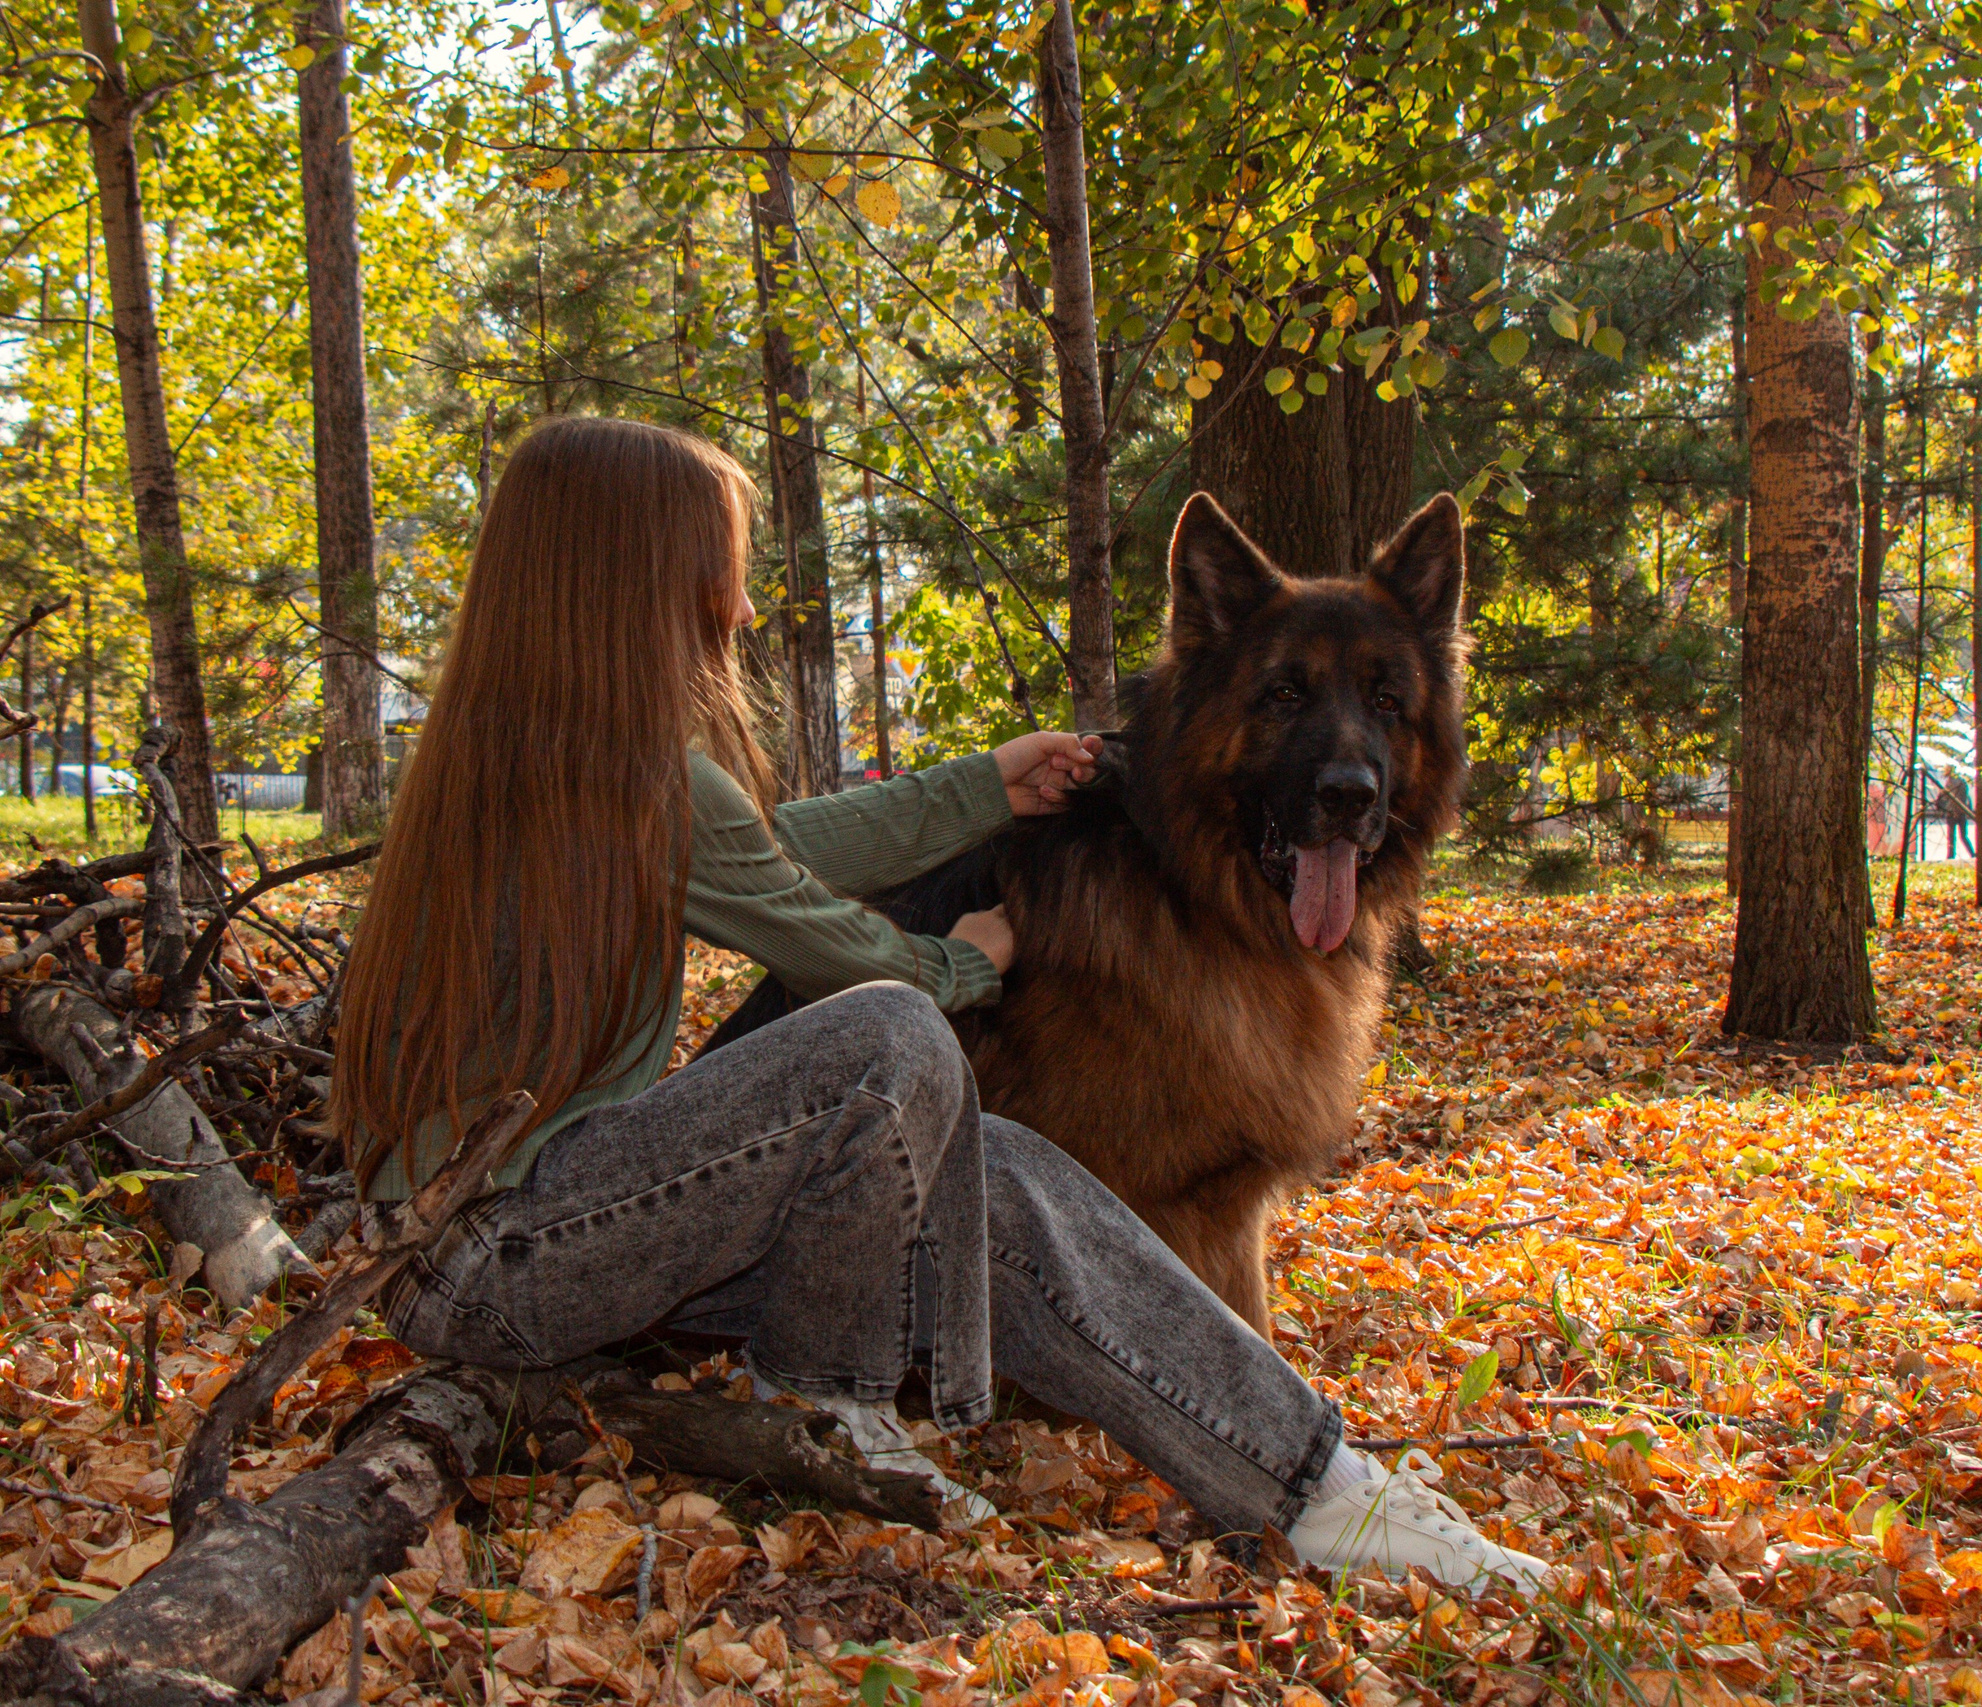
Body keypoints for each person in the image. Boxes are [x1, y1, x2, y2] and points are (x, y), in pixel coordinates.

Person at [331, 417, 1544, 1593]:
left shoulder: (547, 755)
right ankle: (828, 1396)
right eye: (722, 578)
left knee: (999, 1176)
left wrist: (981, 788)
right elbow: (819, 934)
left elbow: (769, 851)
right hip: (501, 1263)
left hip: (530, 1243)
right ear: (627, 579)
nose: (742, 610)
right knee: (891, 1030)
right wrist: (966, 963)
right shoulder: (616, 776)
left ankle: (1327, 1493)